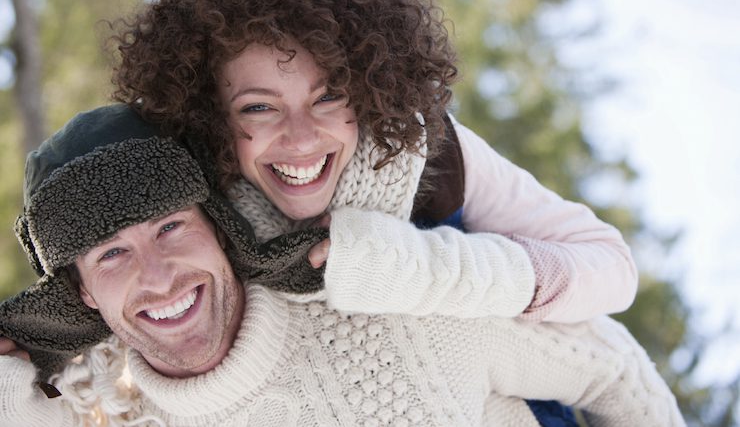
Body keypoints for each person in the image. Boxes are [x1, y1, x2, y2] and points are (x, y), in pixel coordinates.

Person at [0, 104, 684, 426]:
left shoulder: (389, 305)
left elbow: (613, 366)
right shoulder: (113, 416)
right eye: (112, 254)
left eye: (171, 226)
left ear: (221, 229)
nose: (158, 274)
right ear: (84, 293)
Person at [111, 0, 637, 325]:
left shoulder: (431, 151)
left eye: (329, 96)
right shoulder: (187, 211)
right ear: (211, 113)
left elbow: (612, 270)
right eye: (258, 109)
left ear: (368, 88)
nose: (300, 138)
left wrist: (413, 267)